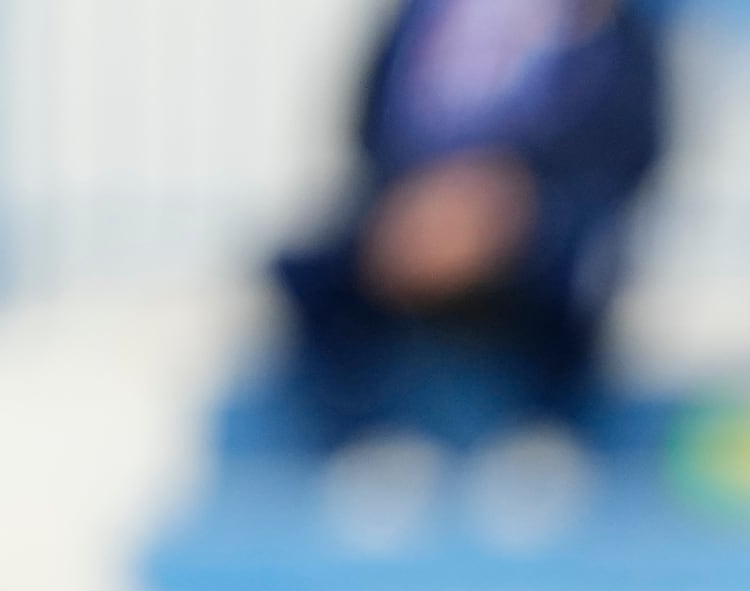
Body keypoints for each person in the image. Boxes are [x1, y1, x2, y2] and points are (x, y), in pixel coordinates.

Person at [275, 0, 665, 446]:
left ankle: (545, 424)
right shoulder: (420, 14)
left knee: (571, 259)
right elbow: (367, 126)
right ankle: (358, 430)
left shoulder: (608, 25)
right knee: (315, 263)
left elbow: (629, 147)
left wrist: (501, 204)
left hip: (536, 209)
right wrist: (425, 204)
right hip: (414, 200)